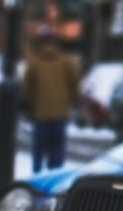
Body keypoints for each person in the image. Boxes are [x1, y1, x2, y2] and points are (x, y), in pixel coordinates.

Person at [22, 25, 82, 173]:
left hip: (40, 113)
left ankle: (37, 176)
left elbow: (28, 87)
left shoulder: (34, 63)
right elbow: (74, 83)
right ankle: (54, 176)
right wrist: (71, 101)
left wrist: (30, 105)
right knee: (57, 148)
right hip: (60, 112)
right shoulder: (67, 62)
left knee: (39, 149)